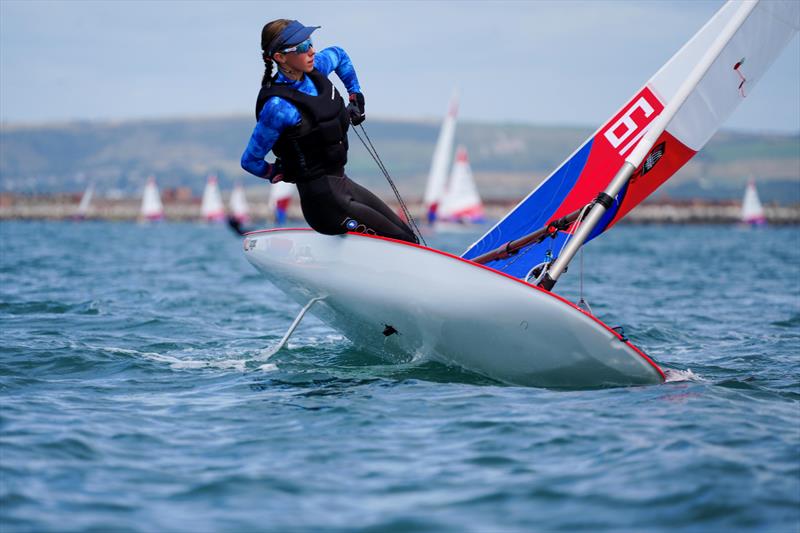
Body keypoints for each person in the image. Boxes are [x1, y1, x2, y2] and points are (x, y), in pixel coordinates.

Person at [241, 19, 418, 244]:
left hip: (343, 183)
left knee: (407, 235)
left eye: (311, 42)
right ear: (280, 57)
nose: (312, 51)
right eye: (303, 47)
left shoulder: (316, 71)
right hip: (323, 203)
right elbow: (250, 160)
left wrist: (355, 95)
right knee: (401, 240)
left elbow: (339, 54)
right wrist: (278, 171)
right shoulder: (278, 107)